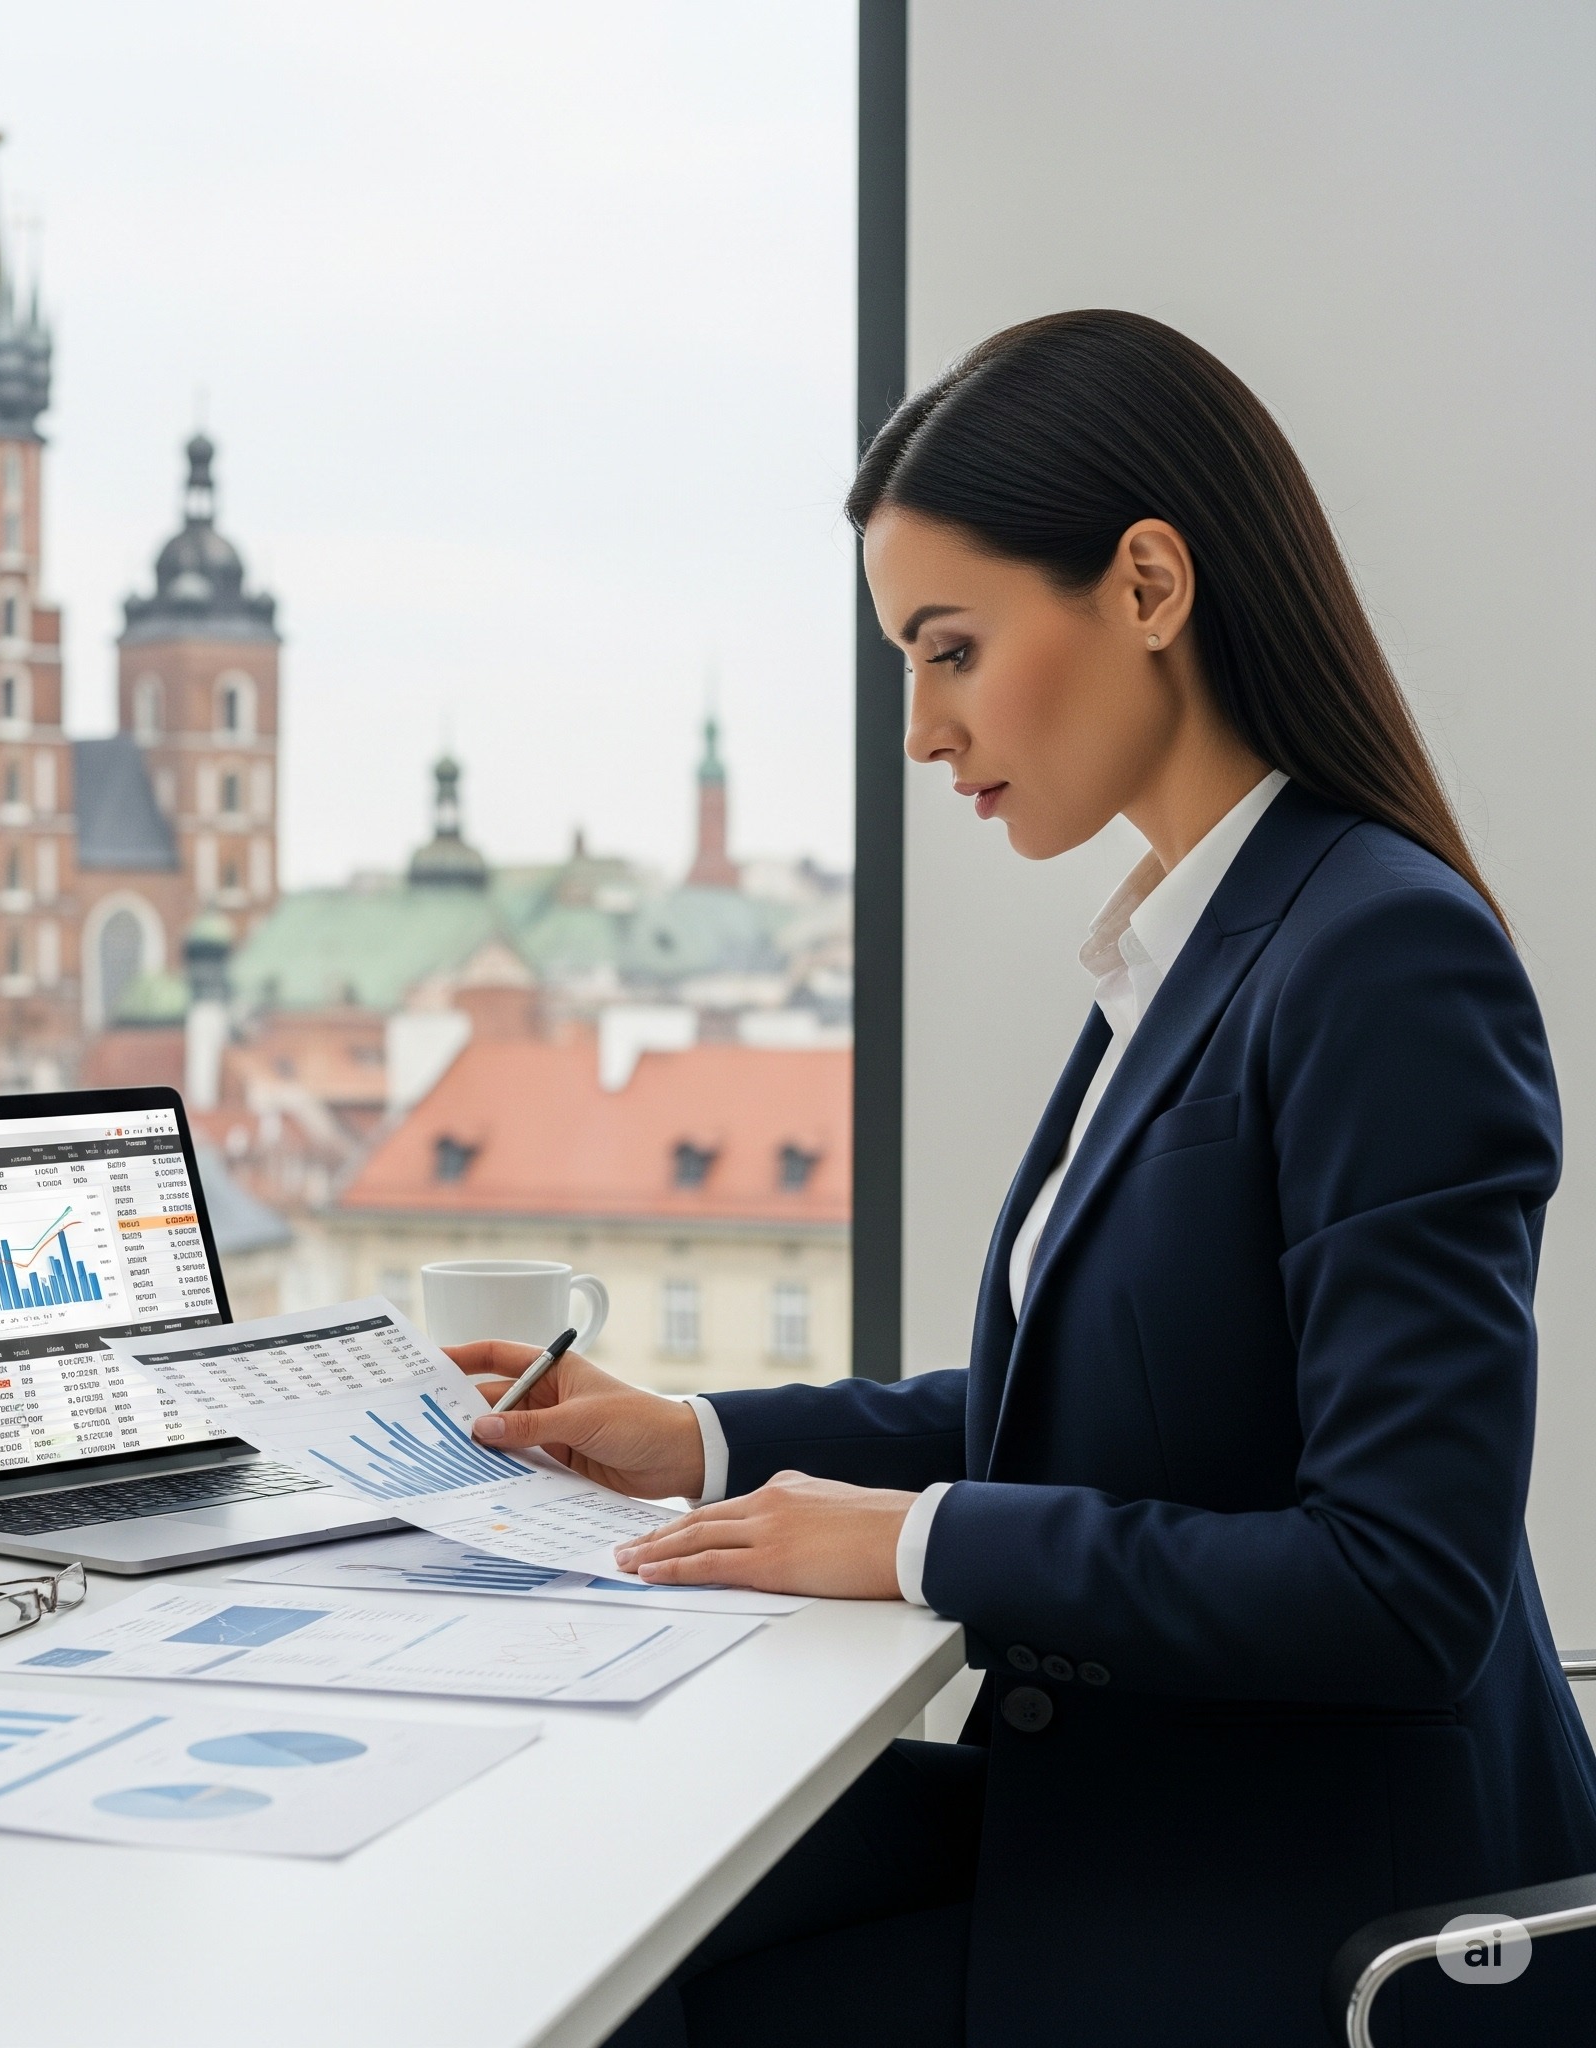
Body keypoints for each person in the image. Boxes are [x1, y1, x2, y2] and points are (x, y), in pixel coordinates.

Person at [452, 311, 1596, 2045]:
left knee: (637, 2003)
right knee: (591, 1903)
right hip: (1144, 1795)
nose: (921, 729)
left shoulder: (1381, 960)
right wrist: (695, 1438)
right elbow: (1124, 1414)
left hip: (1310, 1891)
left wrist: (914, 1544)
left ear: (1147, 586)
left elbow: (1399, 1587)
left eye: (952, 648)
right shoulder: (1198, 942)